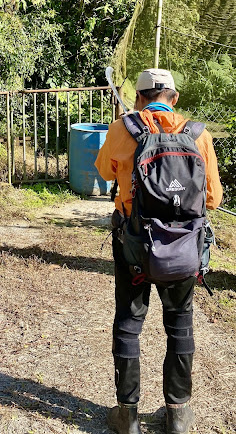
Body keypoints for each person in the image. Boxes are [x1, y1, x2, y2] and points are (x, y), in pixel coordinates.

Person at [95, 68, 223, 434]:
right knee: (180, 324)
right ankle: (179, 415)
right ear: (175, 98)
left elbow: (104, 171)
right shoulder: (200, 136)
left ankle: (127, 416)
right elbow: (212, 199)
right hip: (184, 248)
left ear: (139, 98)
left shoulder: (122, 129)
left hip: (133, 245)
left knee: (129, 323)